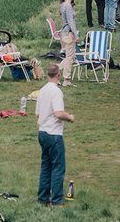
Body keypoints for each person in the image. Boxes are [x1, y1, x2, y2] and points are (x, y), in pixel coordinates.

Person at [36, 63, 75, 207]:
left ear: (47, 74)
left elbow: (38, 114)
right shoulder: (56, 91)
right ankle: (57, 200)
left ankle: (43, 198)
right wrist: (70, 117)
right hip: (54, 134)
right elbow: (58, 113)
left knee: (46, 166)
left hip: (42, 132)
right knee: (58, 167)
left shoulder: (42, 90)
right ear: (58, 74)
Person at [59, 0, 79, 84]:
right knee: (70, 57)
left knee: (70, 56)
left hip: (64, 33)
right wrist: (76, 34)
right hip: (69, 33)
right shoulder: (68, 6)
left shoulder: (62, 5)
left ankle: (57, 70)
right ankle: (66, 79)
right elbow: (71, 22)